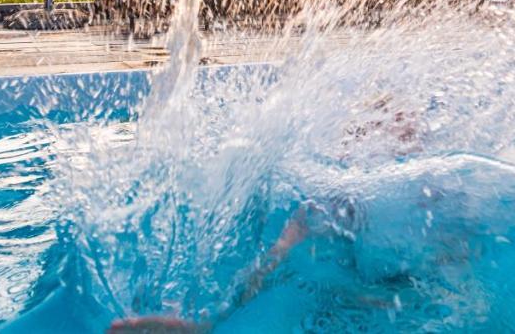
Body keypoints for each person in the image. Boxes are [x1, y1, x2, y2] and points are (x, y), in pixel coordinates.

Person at [108, 96, 428, 333]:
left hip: (376, 299)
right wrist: (211, 319)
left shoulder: (427, 199)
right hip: (343, 301)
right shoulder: (329, 203)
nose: (408, 146)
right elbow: (275, 260)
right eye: (396, 133)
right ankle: (203, 323)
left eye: (409, 137)